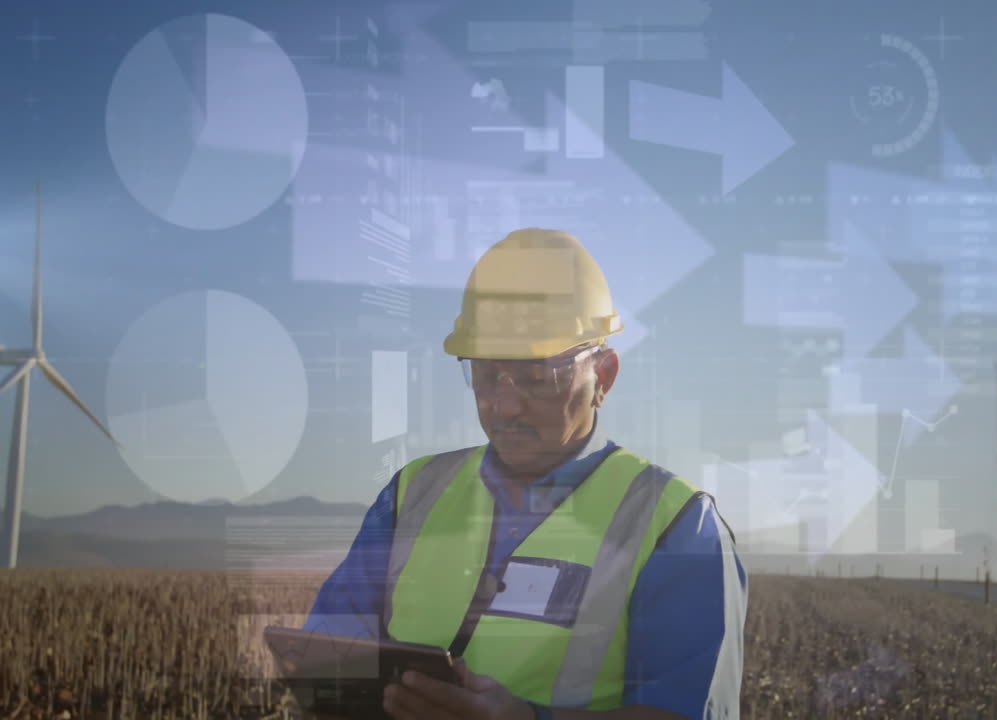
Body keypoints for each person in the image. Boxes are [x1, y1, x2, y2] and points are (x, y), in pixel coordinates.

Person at [303, 228, 747, 720]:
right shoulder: (413, 493)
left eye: (539, 378)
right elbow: (330, 651)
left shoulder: (676, 524)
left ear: (603, 376)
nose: (506, 405)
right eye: (488, 375)